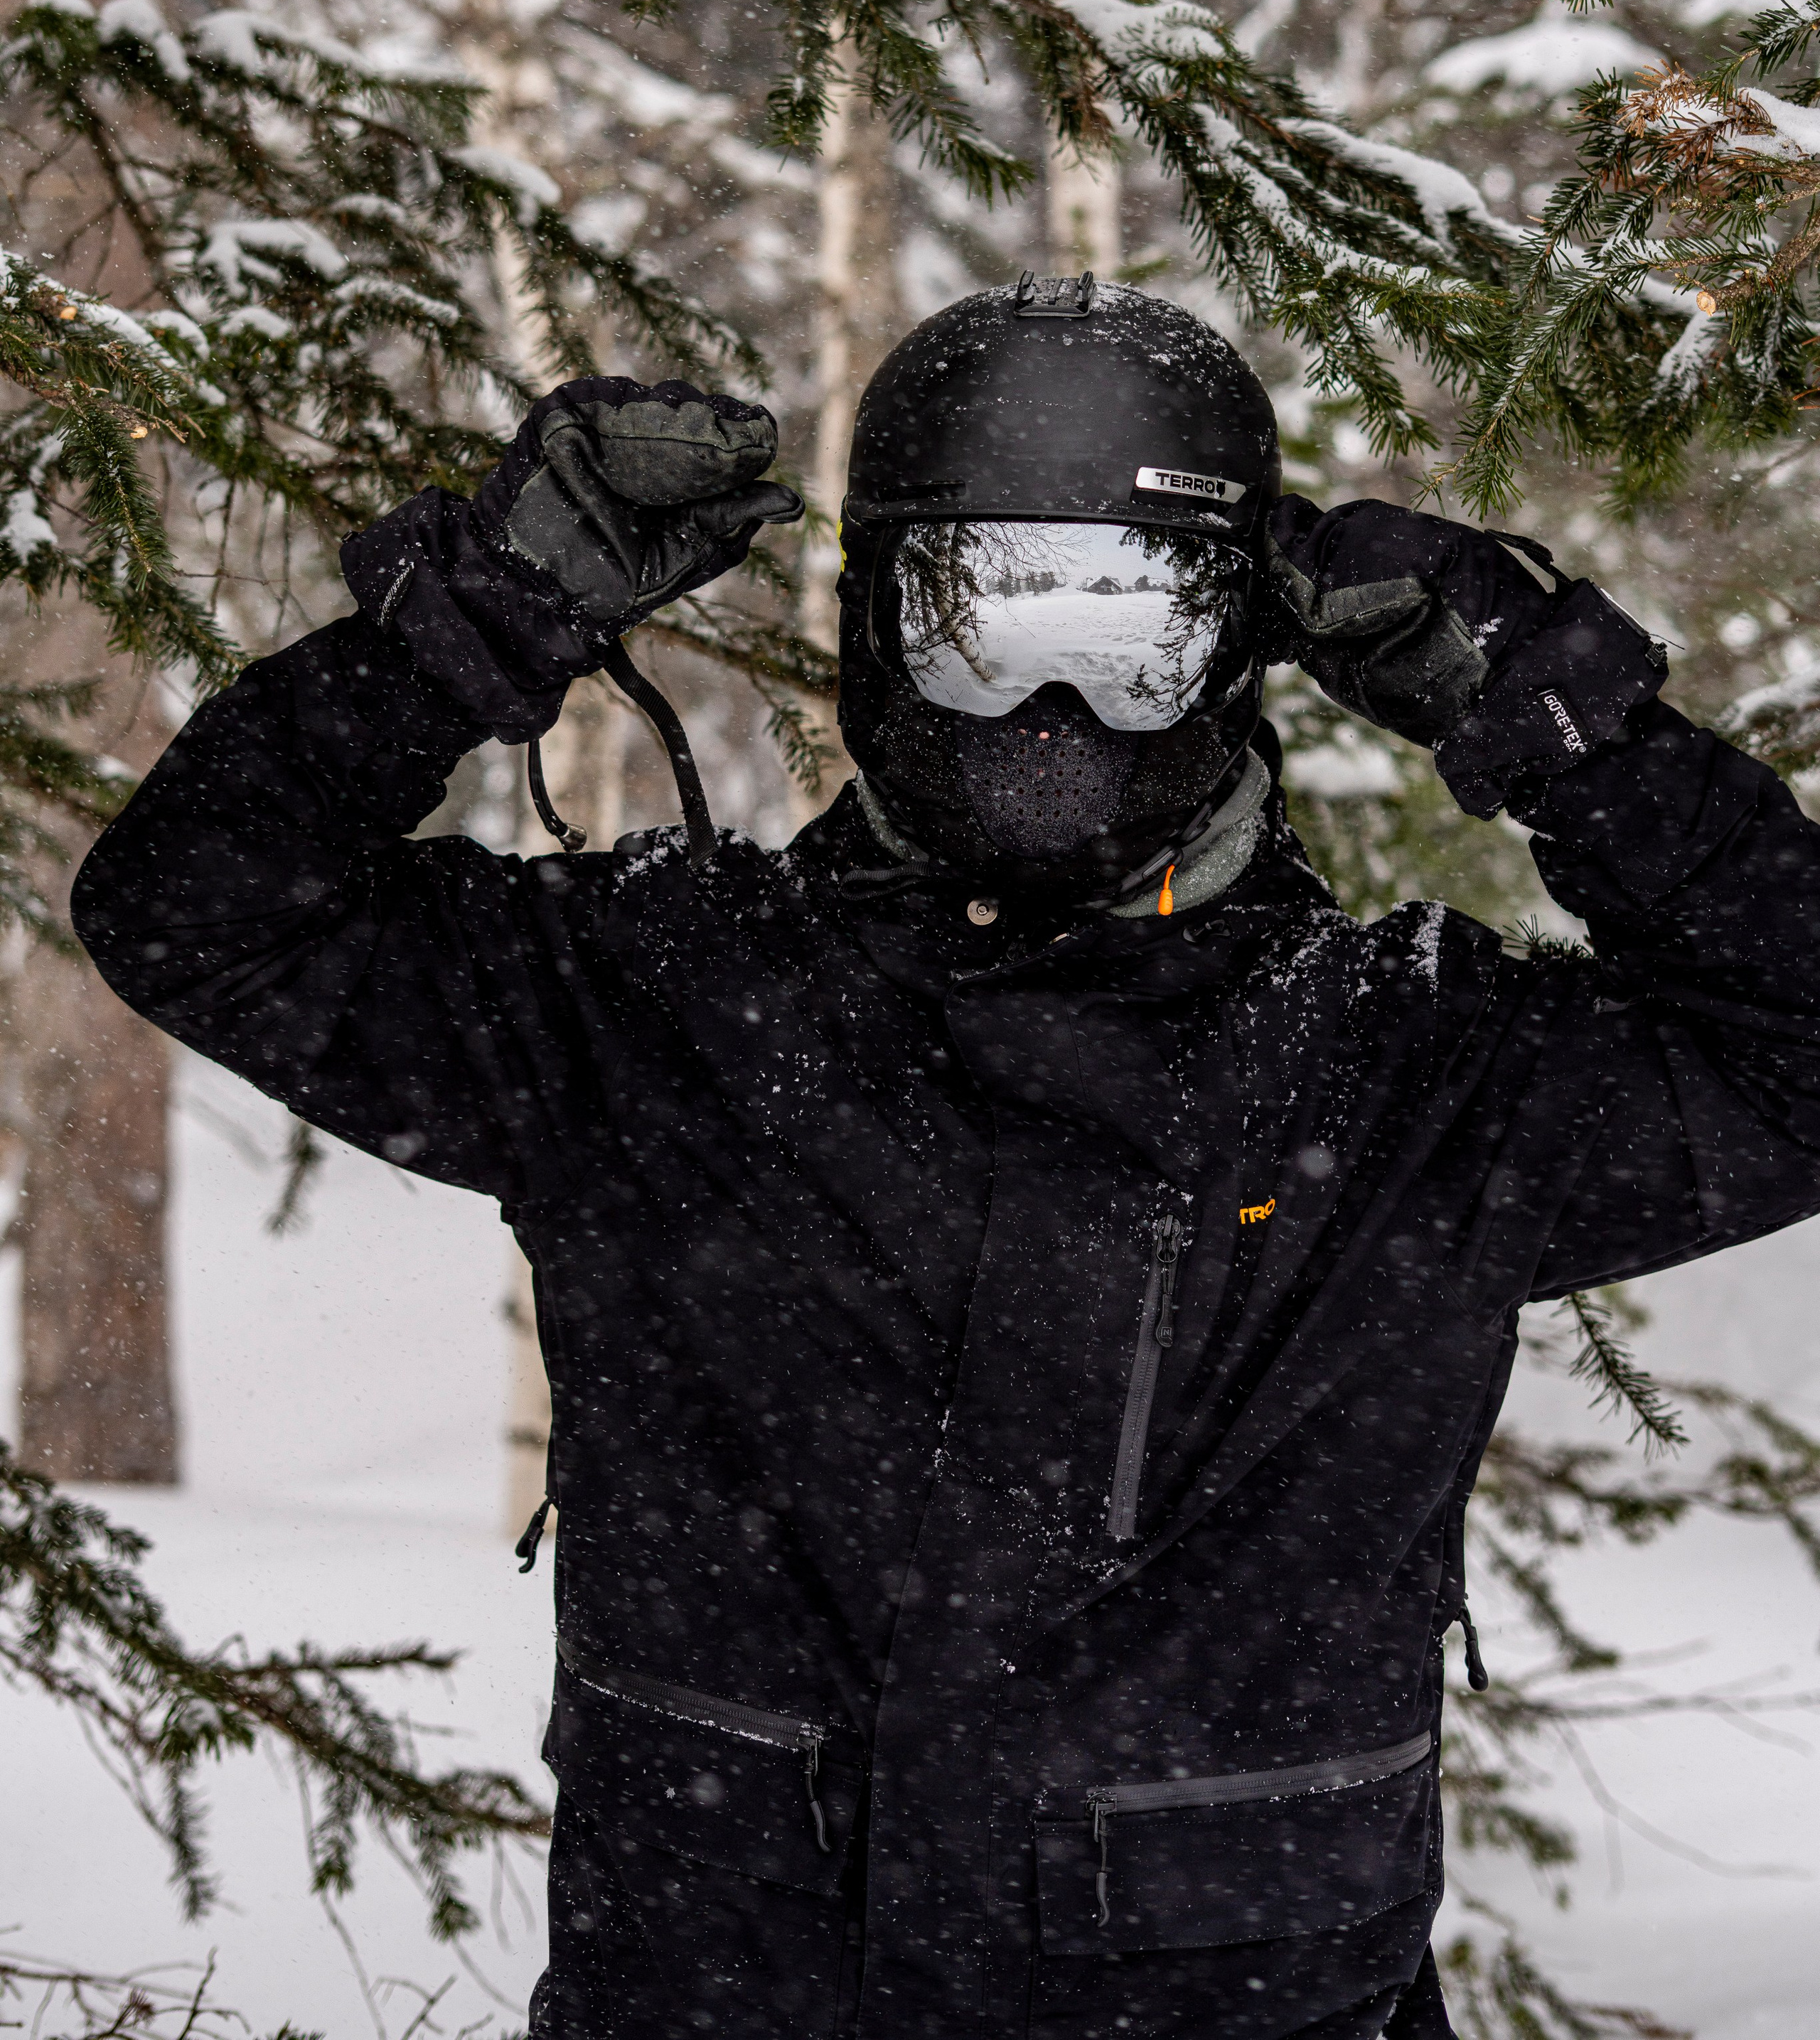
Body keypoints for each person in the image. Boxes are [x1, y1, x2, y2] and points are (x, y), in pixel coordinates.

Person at [73, 277, 1820, 2040]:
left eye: (1131, 637)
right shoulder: (653, 1009)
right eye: (976, 623)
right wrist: (467, 625)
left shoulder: (1411, 1070)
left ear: (1236, 655)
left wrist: (1555, 716)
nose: (1053, 708)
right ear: (867, 625)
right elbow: (196, 908)